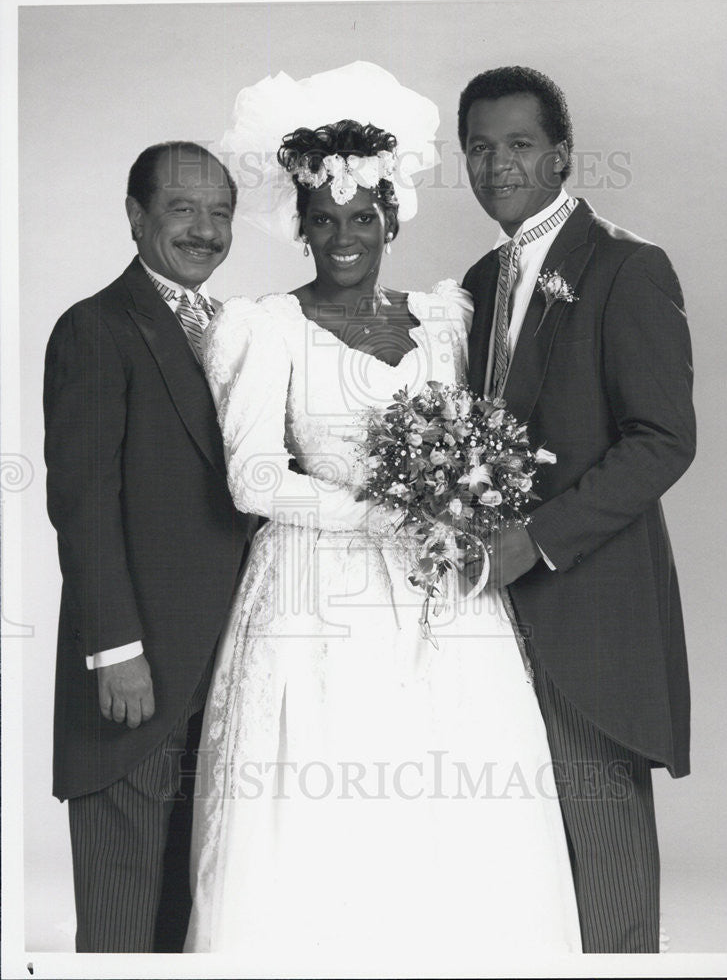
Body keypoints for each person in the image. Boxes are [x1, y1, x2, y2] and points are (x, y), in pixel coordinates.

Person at [184, 63, 581, 972]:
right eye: (323, 220)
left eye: (362, 218)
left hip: (438, 586)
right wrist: (379, 511)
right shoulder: (265, 327)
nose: (343, 238)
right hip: (312, 592)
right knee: (320, 792)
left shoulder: (446, 319)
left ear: (392, 219)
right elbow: (251, 477)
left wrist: (457, 498)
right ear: (301, 226)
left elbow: (479, 428)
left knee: (451, 785)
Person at [459, 65, 696, 953]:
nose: (498, 166)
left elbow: (663, 439)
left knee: (603, 860)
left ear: (561, 156)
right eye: (479, 148)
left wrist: (536, 542)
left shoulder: (628, 267)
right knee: (519, 863)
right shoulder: (478, 281)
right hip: (487, 613)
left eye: (519, 145)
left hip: (587, 605)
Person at [43, 141, 249, 952]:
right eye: (182, 209)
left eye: (221, 213)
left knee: (187, 915)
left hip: (224, 666)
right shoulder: (96, 328)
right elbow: (83, 503)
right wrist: (116, 651)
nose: (205, 230)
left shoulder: (237, 331)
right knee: (123, 917)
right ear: (135, 218)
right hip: (135, 673)